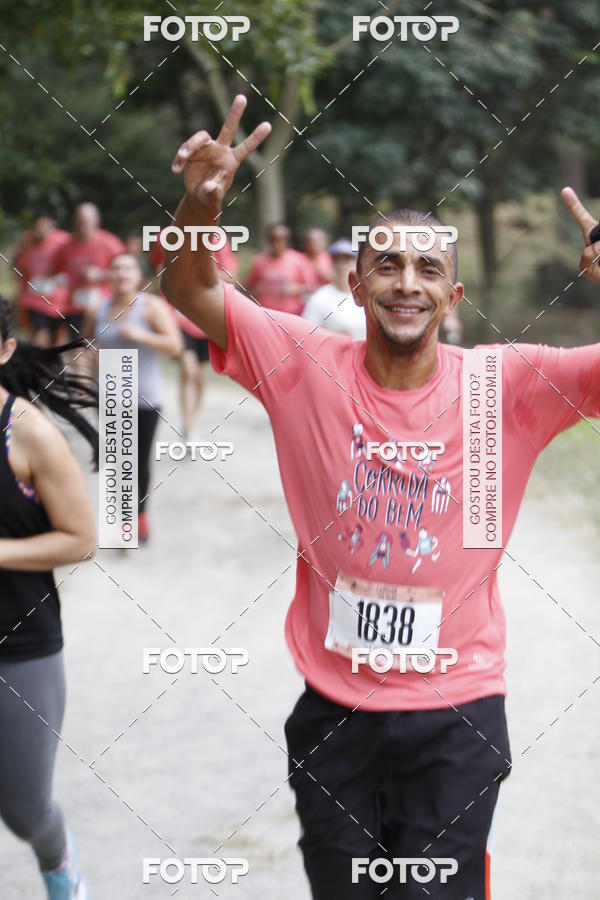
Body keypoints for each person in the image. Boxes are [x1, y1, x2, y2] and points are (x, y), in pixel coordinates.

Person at [162, 95, 600, 899]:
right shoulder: (302, 361)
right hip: (335, 713)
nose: (407, 283)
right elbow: (191, 293)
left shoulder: (501, 386)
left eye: (428, 268)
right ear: (356, 284)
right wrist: (197, 208)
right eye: (388, 265)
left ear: (453, 297)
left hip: (458, 712)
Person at [0, 295, 98, 899]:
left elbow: (82, 538)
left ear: (5, 351)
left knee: (24, 809)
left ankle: (59, 864)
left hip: (19, 645)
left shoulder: (27, 431)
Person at [85, 253, 182, 543]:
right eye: (115, 268)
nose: (121, 273)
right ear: (109, 275)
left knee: (138, 461)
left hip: (145, 398)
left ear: (138, 276)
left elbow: (175, 346)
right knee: (115, 460)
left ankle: (138, 515)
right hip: (110, 395)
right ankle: (124, 514)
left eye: (128, 268)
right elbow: (87, 341)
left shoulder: (151, 307)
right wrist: (91, 360)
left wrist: (140, 335)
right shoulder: (97, 308)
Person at [149, 233, 238, 439]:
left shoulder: (217, 239)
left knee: (200, 375)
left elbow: (230, 275)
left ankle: (193, 420)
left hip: (206, 315)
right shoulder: (167, 237)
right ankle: (189, 426)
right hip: (177, 315)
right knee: (188, 369)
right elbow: (157, 269)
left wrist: (198, 272)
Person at [53, 203, 125, 341]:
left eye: (86, 222)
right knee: (79, 348)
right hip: (75, 307)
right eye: (78, 223)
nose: (82, 227)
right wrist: (58, 280)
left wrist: (100, 275)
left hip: (104, 306)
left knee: (103, 348)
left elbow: (127, 274)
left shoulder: (110, 243)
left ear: (96, 221)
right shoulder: (65, 246)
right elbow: (54, 271)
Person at [12, 211, 70, 346]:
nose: (41, 230)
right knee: (40, 337)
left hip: (59, 301)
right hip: (34, 299)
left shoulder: (64, 241)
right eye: (37, 226)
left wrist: (58, 278)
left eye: (44, 226)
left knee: (57, 341)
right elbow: (17, 266)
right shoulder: (26, 242)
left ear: (52, 226)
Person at [302, 238, 366, 340]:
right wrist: (333, 339)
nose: (342, 265)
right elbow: (306, 335)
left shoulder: (368, 296)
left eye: (347, 259)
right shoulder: (319, 298)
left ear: (356, 262)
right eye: (337, 259)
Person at [245, 222, 313, 314]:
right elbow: (246, 287)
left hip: (292, 313)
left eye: (280, 239)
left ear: (287, 240)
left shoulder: (298, 260)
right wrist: (256, 290)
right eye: (272, 239)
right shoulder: (259, 261)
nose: (276, 243)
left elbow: (312, 288)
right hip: (265, 313)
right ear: (268, 240)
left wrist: (295, 289)